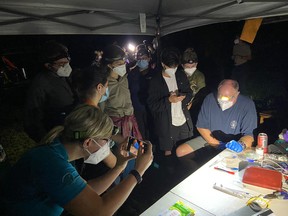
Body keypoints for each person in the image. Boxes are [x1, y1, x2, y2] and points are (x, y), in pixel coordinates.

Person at [4, 104, 153, 216]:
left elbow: (86, 191)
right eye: (106, 140)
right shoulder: (52, 163)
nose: (108, 145)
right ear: (88, 142)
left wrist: (120, 165)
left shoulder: (60, 149)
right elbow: (99, 212)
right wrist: (137, 172)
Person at [176, 79, 257, 160]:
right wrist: (218, 144)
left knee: (229, 160)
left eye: (229, 98)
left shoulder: (247, 104)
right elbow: (201, 127)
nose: (224, 101)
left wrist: (240, 145)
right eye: (220, 96)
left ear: (237, 94)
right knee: (181, 151)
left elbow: (249, 135)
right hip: (211, 138)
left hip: (234, 142)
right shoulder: (210, 98)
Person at [24, 41, 77, 142]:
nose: (66, 67)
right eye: (62, 64)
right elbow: (32, 118)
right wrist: (45, 140)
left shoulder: (64, 76)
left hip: (70, 127)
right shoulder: (40, 84)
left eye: (67, 62)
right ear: (48, 65)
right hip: (55, 133)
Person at [147, 47, 193, 157]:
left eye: (175, 67)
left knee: (188, 152)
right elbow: (152, 105)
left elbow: (189, 92)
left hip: (183, 121)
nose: (173, 70)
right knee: (169, 155)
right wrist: (168, 100)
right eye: (170, 67)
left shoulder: (180, 75)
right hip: (167, 125)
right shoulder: (155, 81)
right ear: (163, 64)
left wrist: (183, 97)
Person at [100, 44, 142, 140]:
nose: (123, 66)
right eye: (119, 64)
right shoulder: (104, 83)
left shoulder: (124, 78)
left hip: (130, 121)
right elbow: (101, 111)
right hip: (115, 126)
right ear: (109, 65)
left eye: (123, 63)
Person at [181, 47, 210, 136]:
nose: (190, 68)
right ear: (182, 65)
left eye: (192, 66)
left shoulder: (199, 76)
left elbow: (201, 93)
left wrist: (192, 103)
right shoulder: (179, 75)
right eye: (187, 66)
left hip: (194, 107)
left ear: (196, 64)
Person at [128, 44, 154, 139]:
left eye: (144, 58)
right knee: (140, 130)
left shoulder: (154, 73)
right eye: (139, 58)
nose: (142, 60)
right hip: (137, 108)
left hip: (151, 107)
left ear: (149, 58)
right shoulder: (132, 74)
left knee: (151, 129)